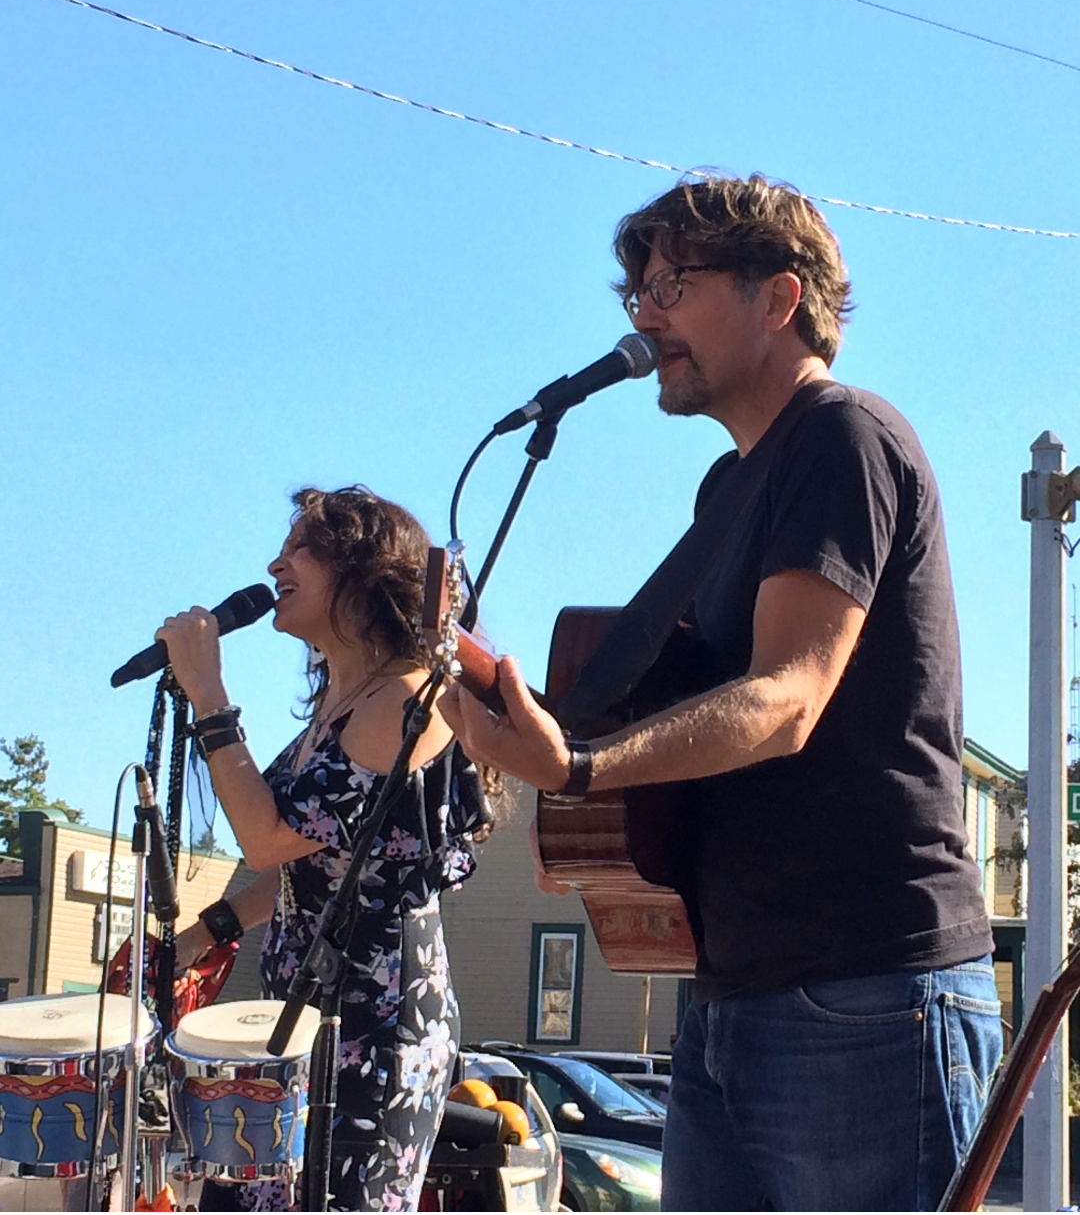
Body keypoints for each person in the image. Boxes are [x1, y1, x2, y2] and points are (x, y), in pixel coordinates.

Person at [442, 174, 1001, 1214]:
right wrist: (481, 688)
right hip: (733, 989)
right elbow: (666, 687)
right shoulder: (727, 486)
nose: (645, 317)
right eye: (637, 295)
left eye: (673, 286)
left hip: (869, 986)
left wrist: (583, 766)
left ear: (778, 298)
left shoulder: (845, 437)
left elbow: (787, 696)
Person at [159, 485, 494, 1215]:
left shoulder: (406, 697)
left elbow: (267, 836)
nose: (276, 562)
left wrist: (210, 693)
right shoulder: (337, 708)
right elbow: (302, 865)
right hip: (305, 1013)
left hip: (375, 1024)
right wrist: (202, 936)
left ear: (362, 570)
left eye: (301, 546)